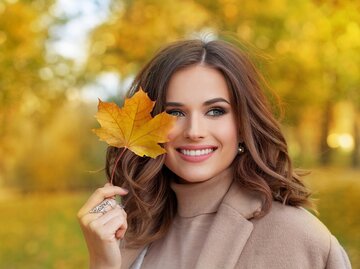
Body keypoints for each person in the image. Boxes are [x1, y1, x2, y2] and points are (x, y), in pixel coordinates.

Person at [77, 39, 352, 269]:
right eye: (175, 113)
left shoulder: (298, 237)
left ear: (244, 125)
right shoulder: (128, 234)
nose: (194, 131)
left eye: (216, 111)